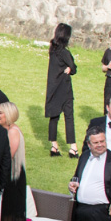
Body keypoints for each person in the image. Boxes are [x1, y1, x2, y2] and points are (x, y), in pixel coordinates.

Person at [0, 102, 30, 221]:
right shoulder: (6, 131)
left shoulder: (13, 132)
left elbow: (7, 156)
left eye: (1, 113)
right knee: (2, 220)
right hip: (9, 178)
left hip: (13, 181)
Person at [45, 23, 78, 158]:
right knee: (69, 117)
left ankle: (54, 146)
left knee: (54, 117)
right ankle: (73, 148)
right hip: (64, 88)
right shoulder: (64, 52)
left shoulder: (53, 50)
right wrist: (71, 69)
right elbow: (74, 67)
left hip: (53, 87)